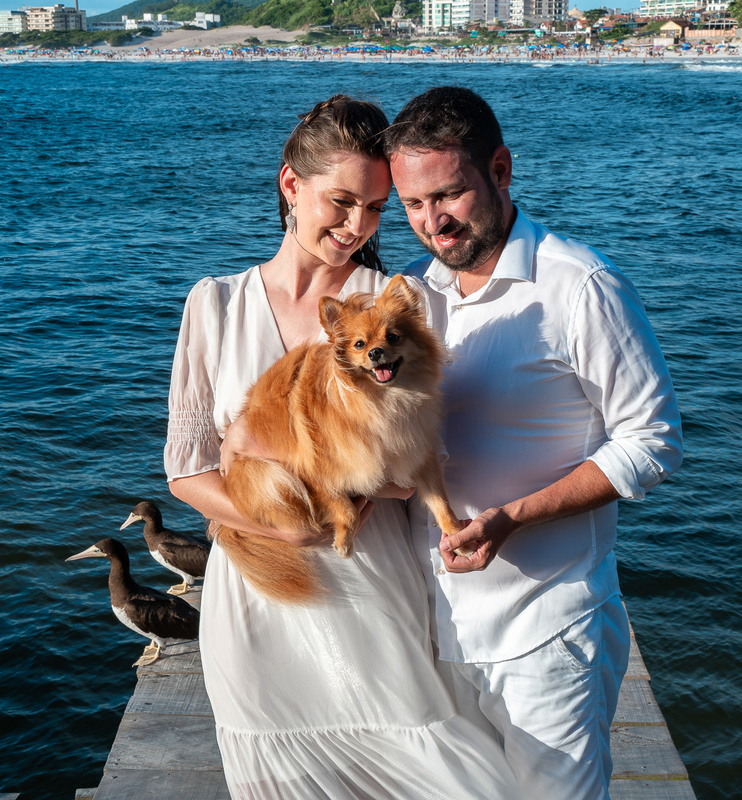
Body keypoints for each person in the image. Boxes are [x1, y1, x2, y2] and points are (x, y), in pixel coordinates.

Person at [163, 95, 518, 799]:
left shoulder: (393, 302)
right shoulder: (216, 303)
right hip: (258, 597)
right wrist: (282, 523)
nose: (358, 227)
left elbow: (409, 464)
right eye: (342, 201)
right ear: (291, 185)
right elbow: (185, 468)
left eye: (379, 208)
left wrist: (273, 452)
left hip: (373, 587)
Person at [384, 86, 684, 799]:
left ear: (501, 168)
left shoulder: (581, 286)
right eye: (414, 205)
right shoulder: (418, 297)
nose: (434, 222)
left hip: (548, 633)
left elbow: (654, 441)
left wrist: (510, 517)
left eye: (450, 194)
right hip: (438, 625)